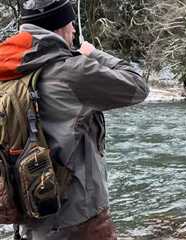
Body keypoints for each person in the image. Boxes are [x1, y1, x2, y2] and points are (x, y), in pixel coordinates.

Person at [0, 0, 149, 239]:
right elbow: (137, 86)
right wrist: (93, 54)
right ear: (58, 27)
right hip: (78, 219)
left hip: (29, 215)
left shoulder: (7, 69)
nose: (74, 31)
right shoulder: (71, 71)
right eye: (71, 24)